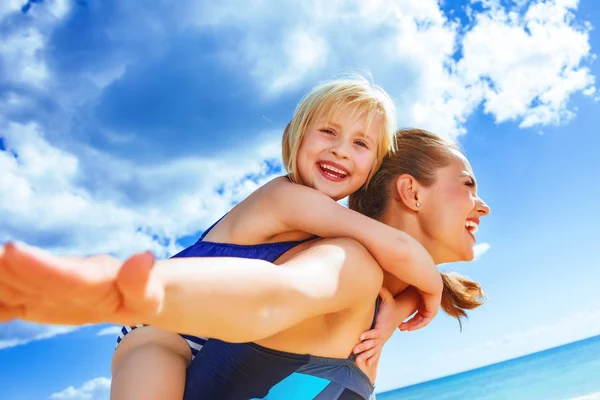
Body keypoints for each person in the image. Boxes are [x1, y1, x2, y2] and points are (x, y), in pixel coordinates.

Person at [0, 128, 489, 399]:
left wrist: (411, 298)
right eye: (467, 184)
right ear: (410, 192)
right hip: (155, 322)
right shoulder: (351, 262)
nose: (482, 204)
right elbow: (277, 297)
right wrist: (122, 292)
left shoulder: (380, 299)